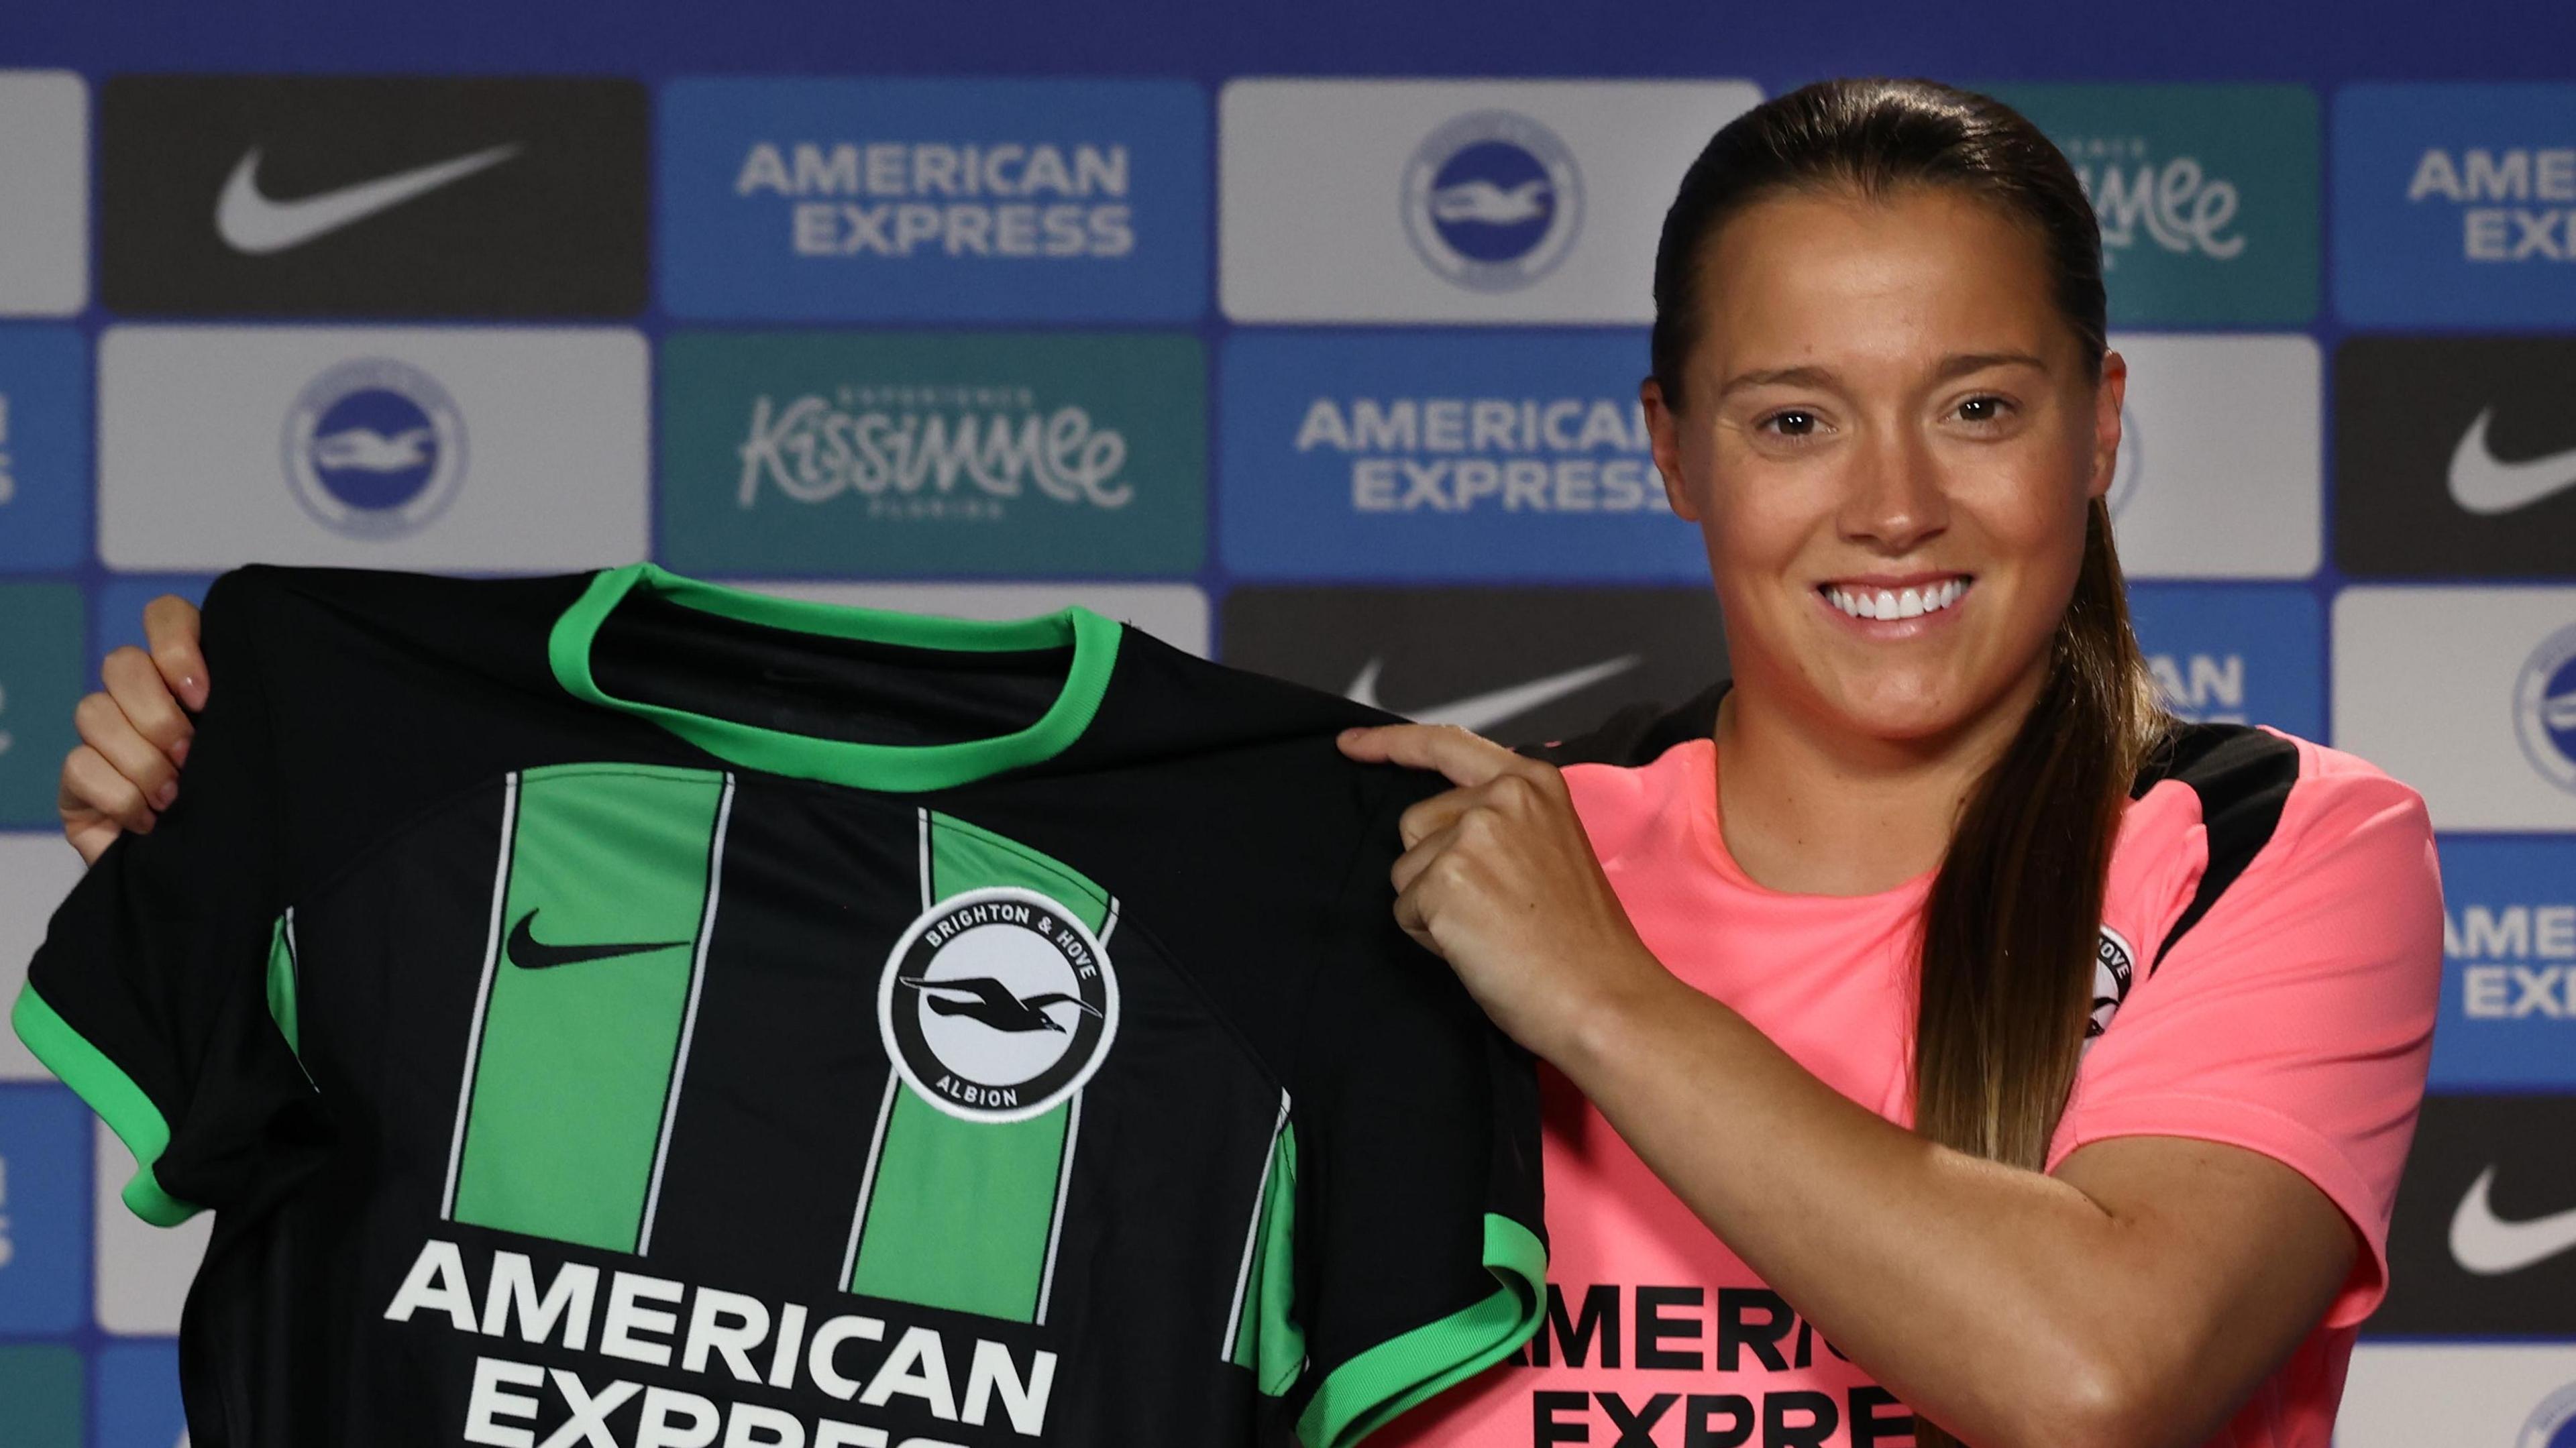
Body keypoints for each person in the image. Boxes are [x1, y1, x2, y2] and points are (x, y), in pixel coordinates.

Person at [54, 79, 2438, 1448]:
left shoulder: (2270, 849)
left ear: (2102, 427)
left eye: (1984, 409)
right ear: (1672, 456)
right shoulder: (1397, 858)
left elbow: (2098, 1376)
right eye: (1795, 418)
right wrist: (278, 820)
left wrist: (1600, 1000)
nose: (1894, 502)